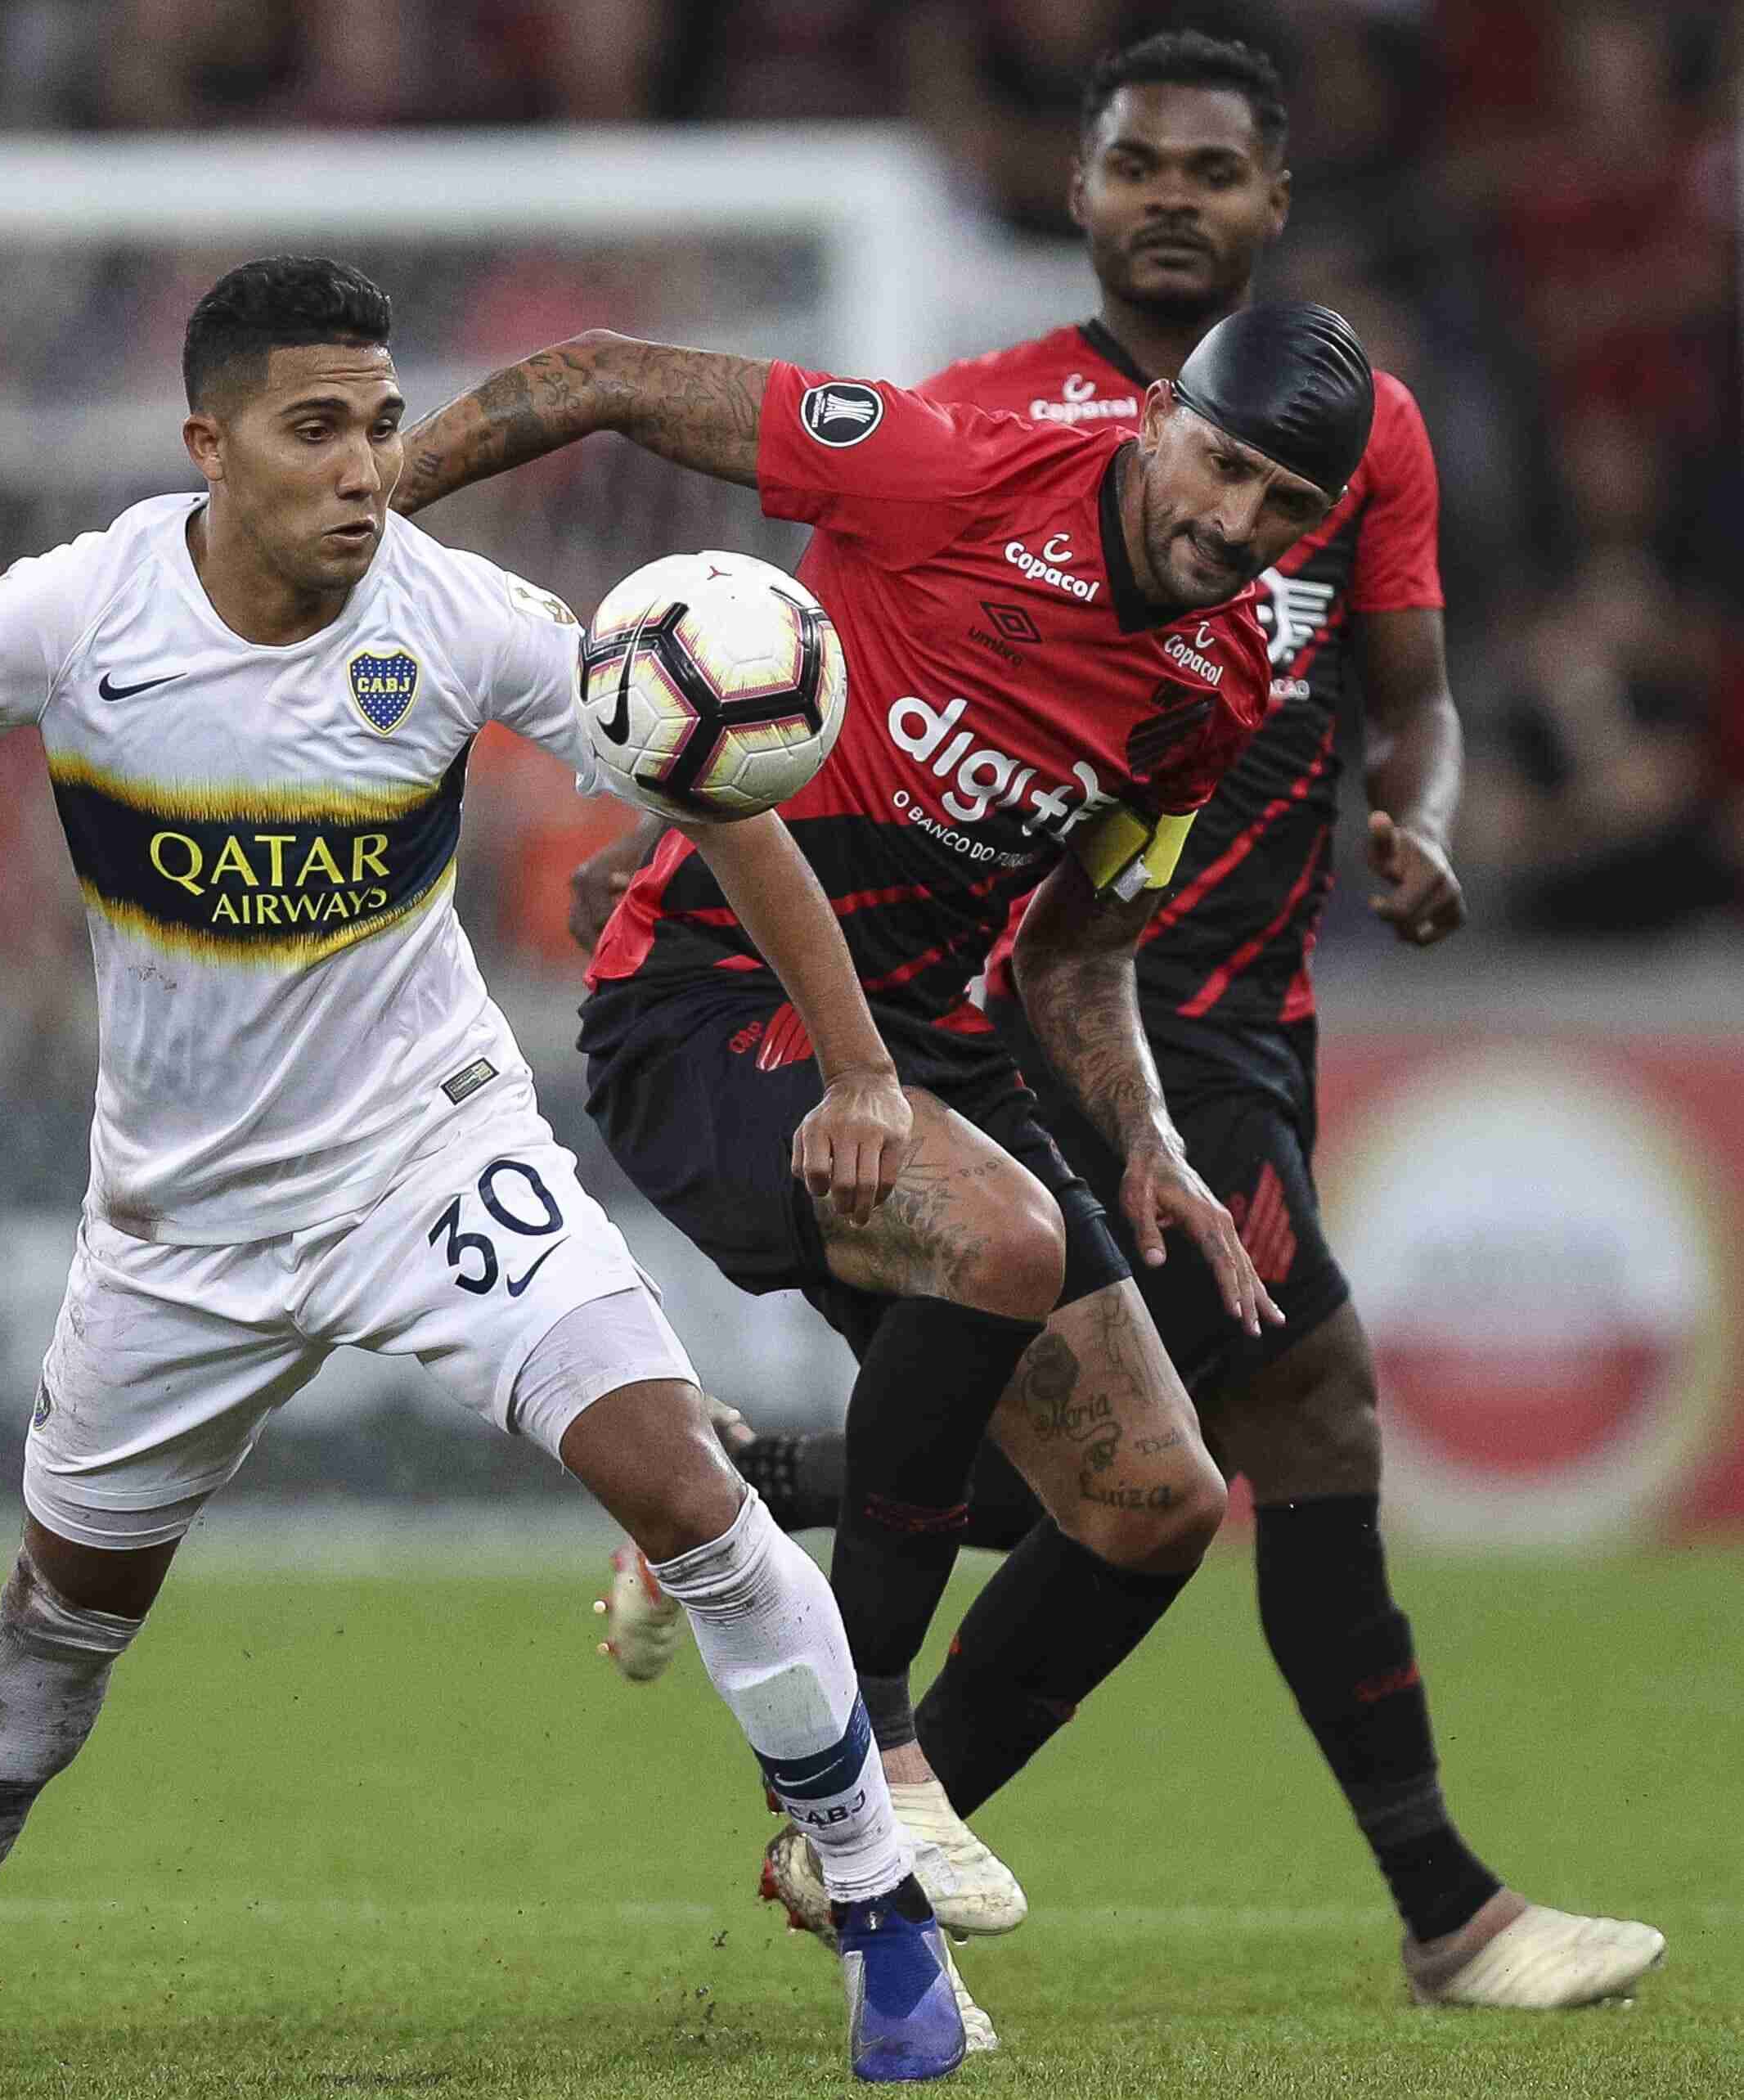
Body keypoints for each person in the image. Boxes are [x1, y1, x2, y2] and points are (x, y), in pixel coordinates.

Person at [0, 257, 972, 2082]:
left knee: (683, 1492)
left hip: (431, 1162)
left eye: (384, 425)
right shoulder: (72, 612)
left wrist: (864, 1066)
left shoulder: (464, 616)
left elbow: (717, 798)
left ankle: (889, 1932)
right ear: (210, 444)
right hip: (179, 1226)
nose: (363, 465)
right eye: (315, 428)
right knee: (55, 1621)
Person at [574, 31, 1666, 2017]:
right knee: (1286, 1405)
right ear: (1078, 192)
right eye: (1136, 166)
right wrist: (700, 838)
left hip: (1215, 1007)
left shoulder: (1358, 426)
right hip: (1073, 1020)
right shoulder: (974, 423)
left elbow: (1408, 688)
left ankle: (763, 1534)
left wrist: (1415, 820)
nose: (1173, 199)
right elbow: (804, 696)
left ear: (1271, 206)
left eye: (1215, 173)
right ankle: (1423, 1904)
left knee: (1105, 1468)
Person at [393, 281, 1383, 2014]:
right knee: (999, 1249)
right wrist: (346, 524)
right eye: (1219, 464)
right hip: (712, 1006)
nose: (1234, 523)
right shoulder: (943, 470)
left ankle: (795, 1715)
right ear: (1159, 415)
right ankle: (873, 1773)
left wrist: (1143, 1131)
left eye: (1286, 507)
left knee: (1152, 1505)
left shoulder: (1221, 685)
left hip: (928, 1056)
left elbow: (1079, 947)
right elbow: (600, 374)